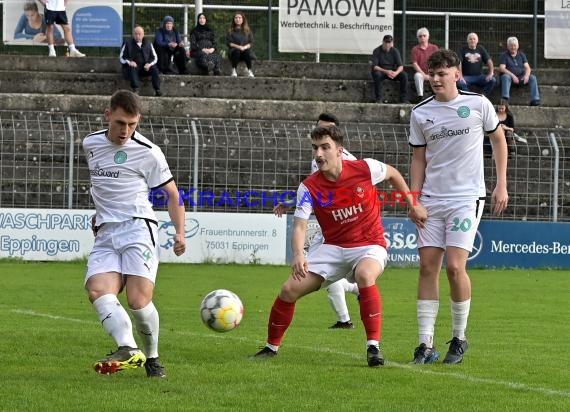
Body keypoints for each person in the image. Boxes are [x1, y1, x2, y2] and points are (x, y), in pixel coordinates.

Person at [253, 125, 427, 367]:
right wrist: (298, 254)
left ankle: (373, 348)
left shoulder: (364, 168)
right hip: (331, 247)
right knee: (288, 290)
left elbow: (393, 174)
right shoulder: (309, 187)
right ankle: (271, 347)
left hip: (368, 244)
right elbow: (300, 225)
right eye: (315, 148)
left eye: (325, 147)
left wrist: (413, 204)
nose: (319, 154)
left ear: (339, 151)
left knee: (365, 274)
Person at [408, 49, 509, 365]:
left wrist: (501, 183)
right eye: (431, 73)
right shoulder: (420, 113)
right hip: (431, 200)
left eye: (442, 73)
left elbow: (498, 139)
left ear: (456, 74)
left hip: (467, 198)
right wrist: (413, 199)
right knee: (427, 268)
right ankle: (425, 344)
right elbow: (418, 159)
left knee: (454, 266)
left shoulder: (478, 104)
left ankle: (459, 337)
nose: (435, 79)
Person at [83, 89, 186, 377]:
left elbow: (173, 194)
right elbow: (102, 187)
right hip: (105, 232)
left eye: (132, 124)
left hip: (138, 228)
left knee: (138, 301)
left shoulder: (149, 152)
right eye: (119, 123)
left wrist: (180, 232)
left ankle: (152, 358)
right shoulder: (90, 143)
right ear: (107, 116)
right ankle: (128, 348)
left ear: (138, 120)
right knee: (97, 289)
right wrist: (99, 213)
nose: (125, 131)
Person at [273, 113, 360, 330]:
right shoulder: (318, 159)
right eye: (319, 129)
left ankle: (347, 317)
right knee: (328, 273)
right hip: (326, 225)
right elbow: (315, 188)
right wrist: (291, 202)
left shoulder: (349, 162)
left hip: (345, 228)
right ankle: (350, 305)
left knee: (322, 271)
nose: (321, 136)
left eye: (327, 130)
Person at [120, 25, 163, 97]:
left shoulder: (148, 43)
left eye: (139, 34)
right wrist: (130, 62)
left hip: (146, 67)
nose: (137, 36)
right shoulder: (127, 43)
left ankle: (157, 89)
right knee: (132, 68)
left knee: (155, 69)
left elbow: (155, 57)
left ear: (143, 35)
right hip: (134, 68)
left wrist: (149, 64)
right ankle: (135, 89)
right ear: (133, 35)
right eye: (136, 34)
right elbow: (122, 57)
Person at [499, 36, 540, 106]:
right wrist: (513, 76)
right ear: (508, 47)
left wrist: (526, 76)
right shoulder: (504, 55)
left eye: (515, 45)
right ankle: (505, 99)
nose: (513, 47)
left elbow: (528, 68)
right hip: (510, 79)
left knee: (532, 77)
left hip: (521, 77)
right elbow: (502, 68)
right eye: (511, 45)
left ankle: (535, 99)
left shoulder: (521, 55)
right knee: (505, 76)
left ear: (517, 46)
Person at [371, 34, 410, 104]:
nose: (387, 44)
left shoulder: (395, 51)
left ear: (392, 43)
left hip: (392, 72)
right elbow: (375, 66)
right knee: (376, 74)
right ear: (382, 42)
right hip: (381, 71)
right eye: (386, 42)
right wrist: (386, 71)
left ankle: (403, 99)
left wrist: (396, 73)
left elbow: (401, 66)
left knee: (404, 75)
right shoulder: (376, 51)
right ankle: (378, 98)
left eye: (389, 42)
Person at [456, 32, 496, 99]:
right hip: (467, 77)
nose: (472, 40)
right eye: (470, 39)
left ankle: (483, 97)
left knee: (493, 80)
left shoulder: (480, 48)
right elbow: (459, 62)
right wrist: (460, 75)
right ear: (467, 40)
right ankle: (470, 98)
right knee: (460, 83)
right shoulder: (462, 49)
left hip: (479, 77)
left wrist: (491, 72)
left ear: (477, 40)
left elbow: (489, 60)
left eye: (474, 39)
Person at [411, 27, 438, 101]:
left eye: (424, 35)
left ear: (428, 37)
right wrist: (423, 74)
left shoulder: (434, 48)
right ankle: (420, 96)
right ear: (418, 38)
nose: (422, 37)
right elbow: (414, 63)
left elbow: (438, 61)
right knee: (417, 76)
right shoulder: (415, 49)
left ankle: (438, 95)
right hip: (421, 72)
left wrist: (431, 73)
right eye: (420, 36)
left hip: (433, 71)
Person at [226, 11, 255, 78]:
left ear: (243, 19)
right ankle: (234, 70)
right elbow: (229, 43)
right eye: (236, 18)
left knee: (247, 52)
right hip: (234, 52)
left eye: (239, 18)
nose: (238, 19)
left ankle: (249, 70)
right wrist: (239, 47)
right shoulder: (230, 31)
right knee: (236, 51)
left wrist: (244, 47)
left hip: (244, 51)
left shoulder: (248, 31)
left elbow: (251, 42)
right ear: (234, 19)